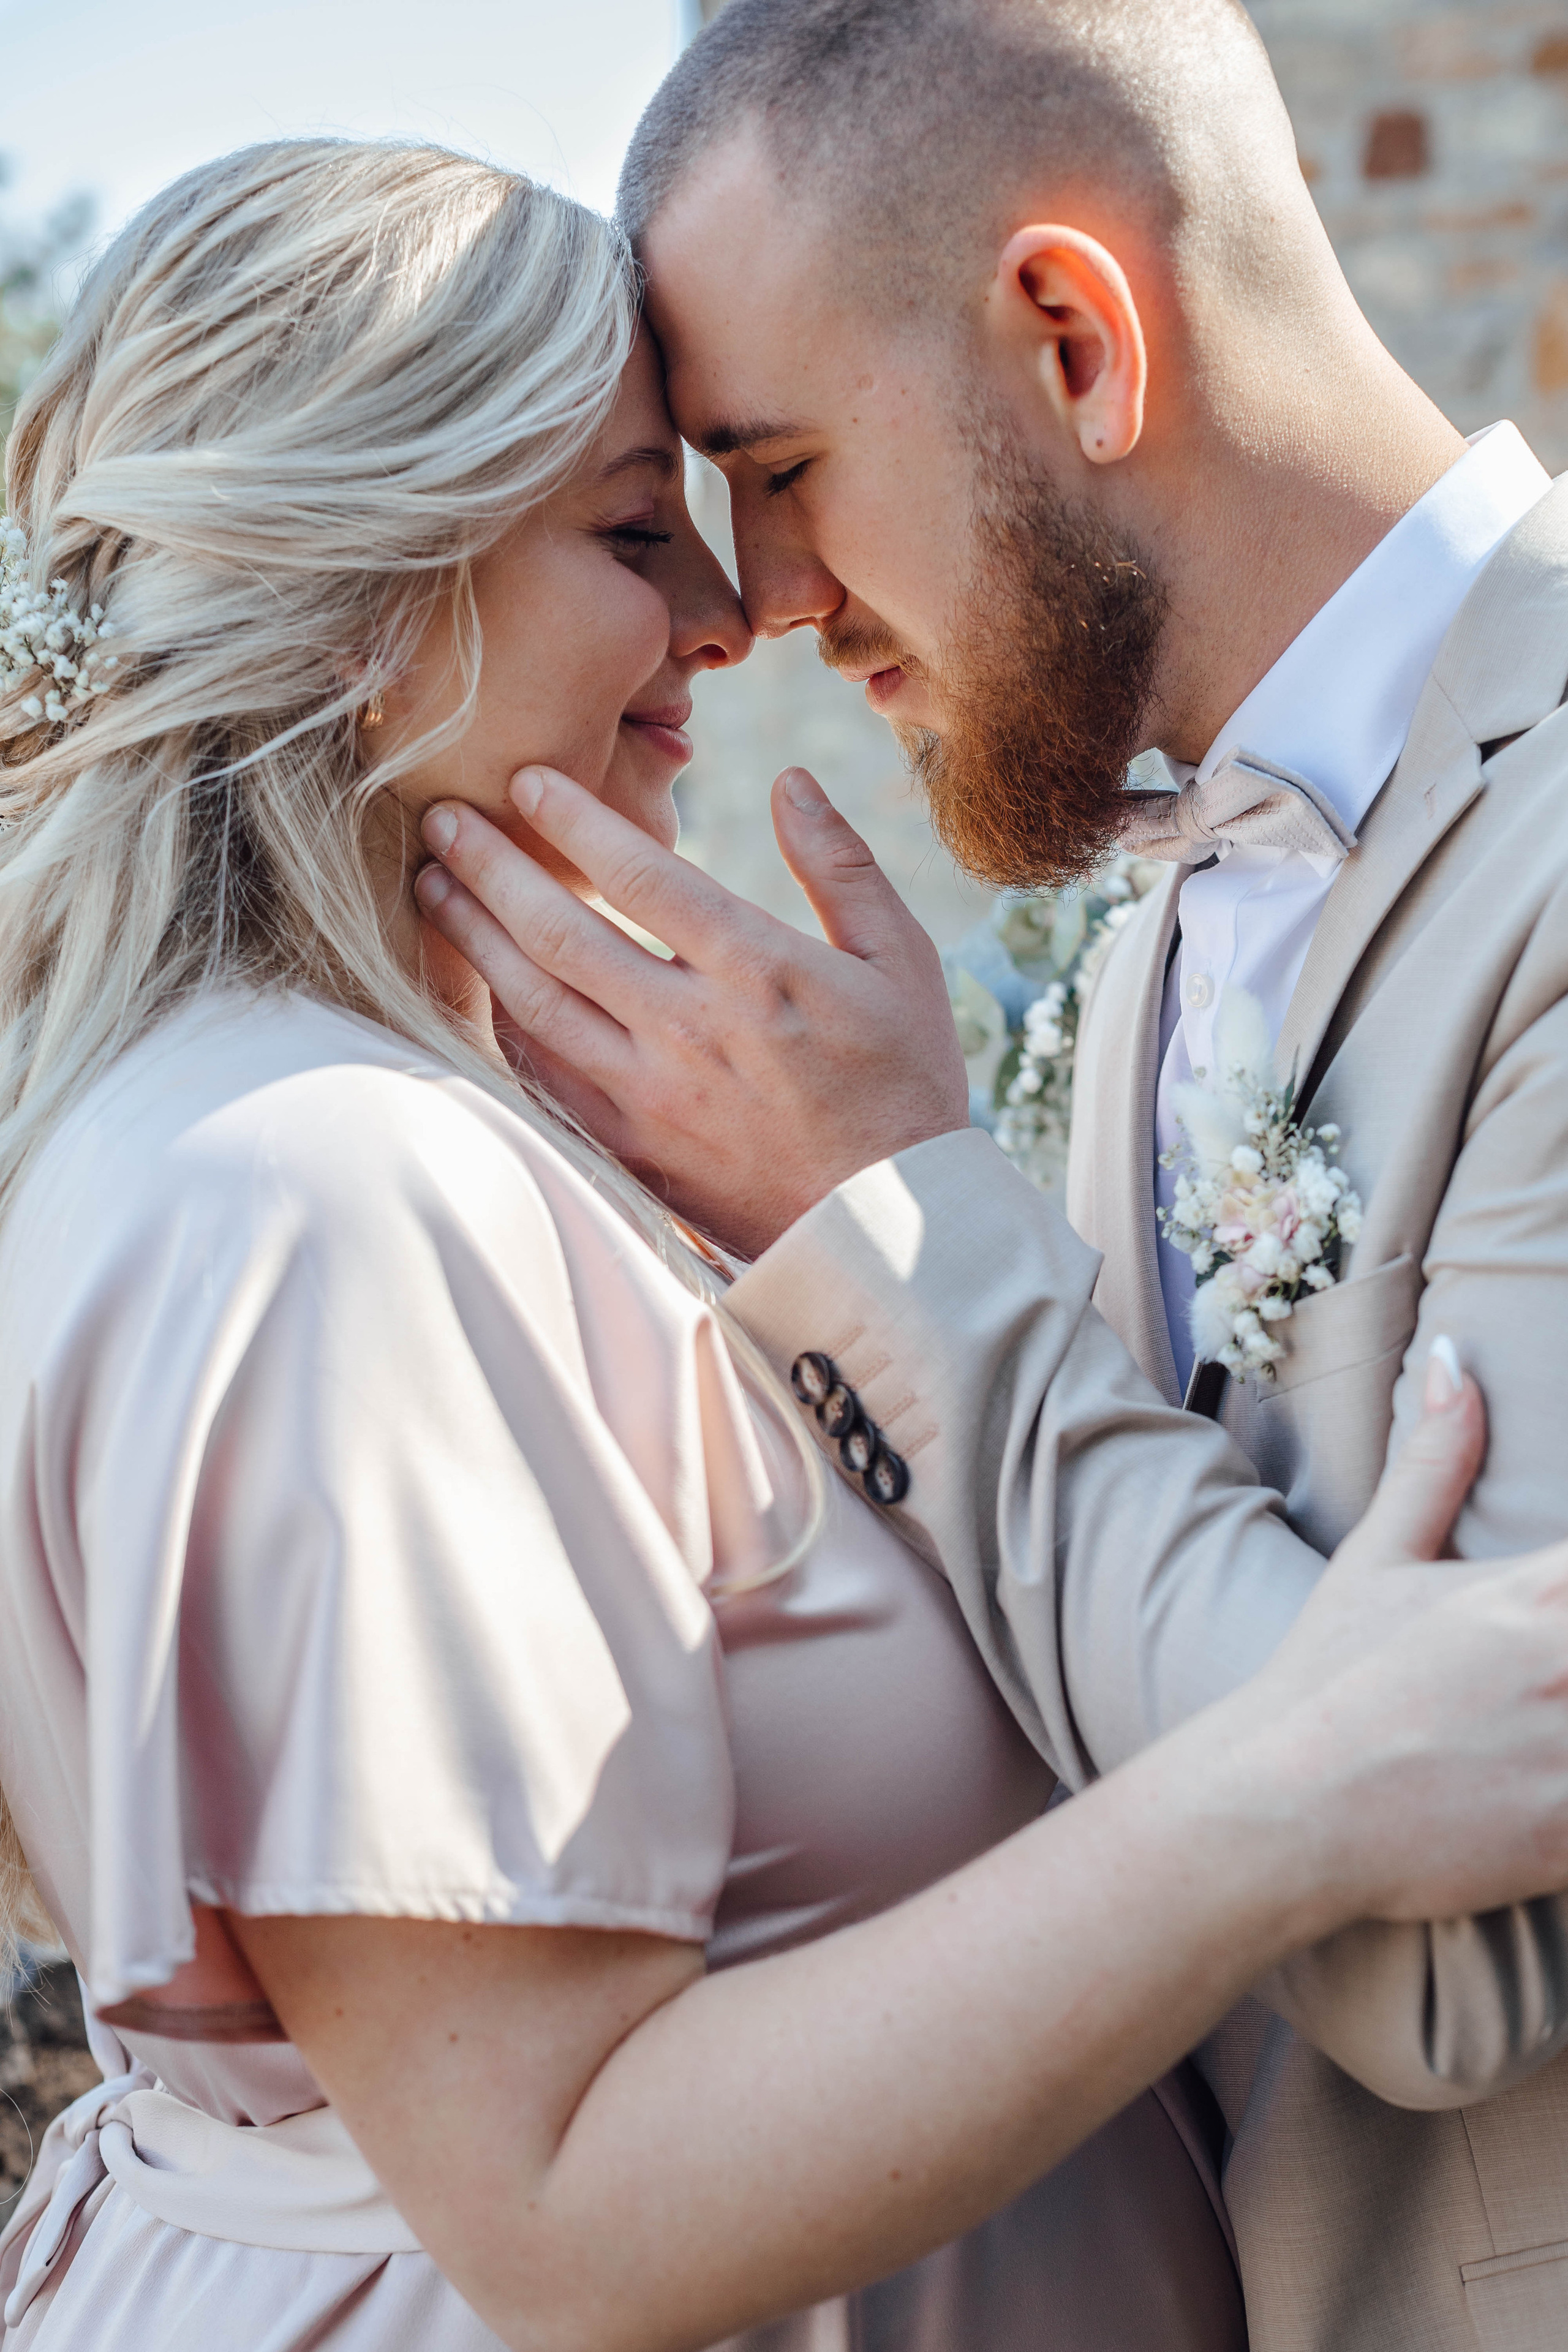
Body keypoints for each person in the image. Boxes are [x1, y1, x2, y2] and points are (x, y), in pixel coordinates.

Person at [1, 126, 1567, 2352]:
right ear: (366, 597)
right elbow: (559, 2195)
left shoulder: (402, 1135)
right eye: (639, 528)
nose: (741, 617)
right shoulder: (313, 1183)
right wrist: (1288, 1795)